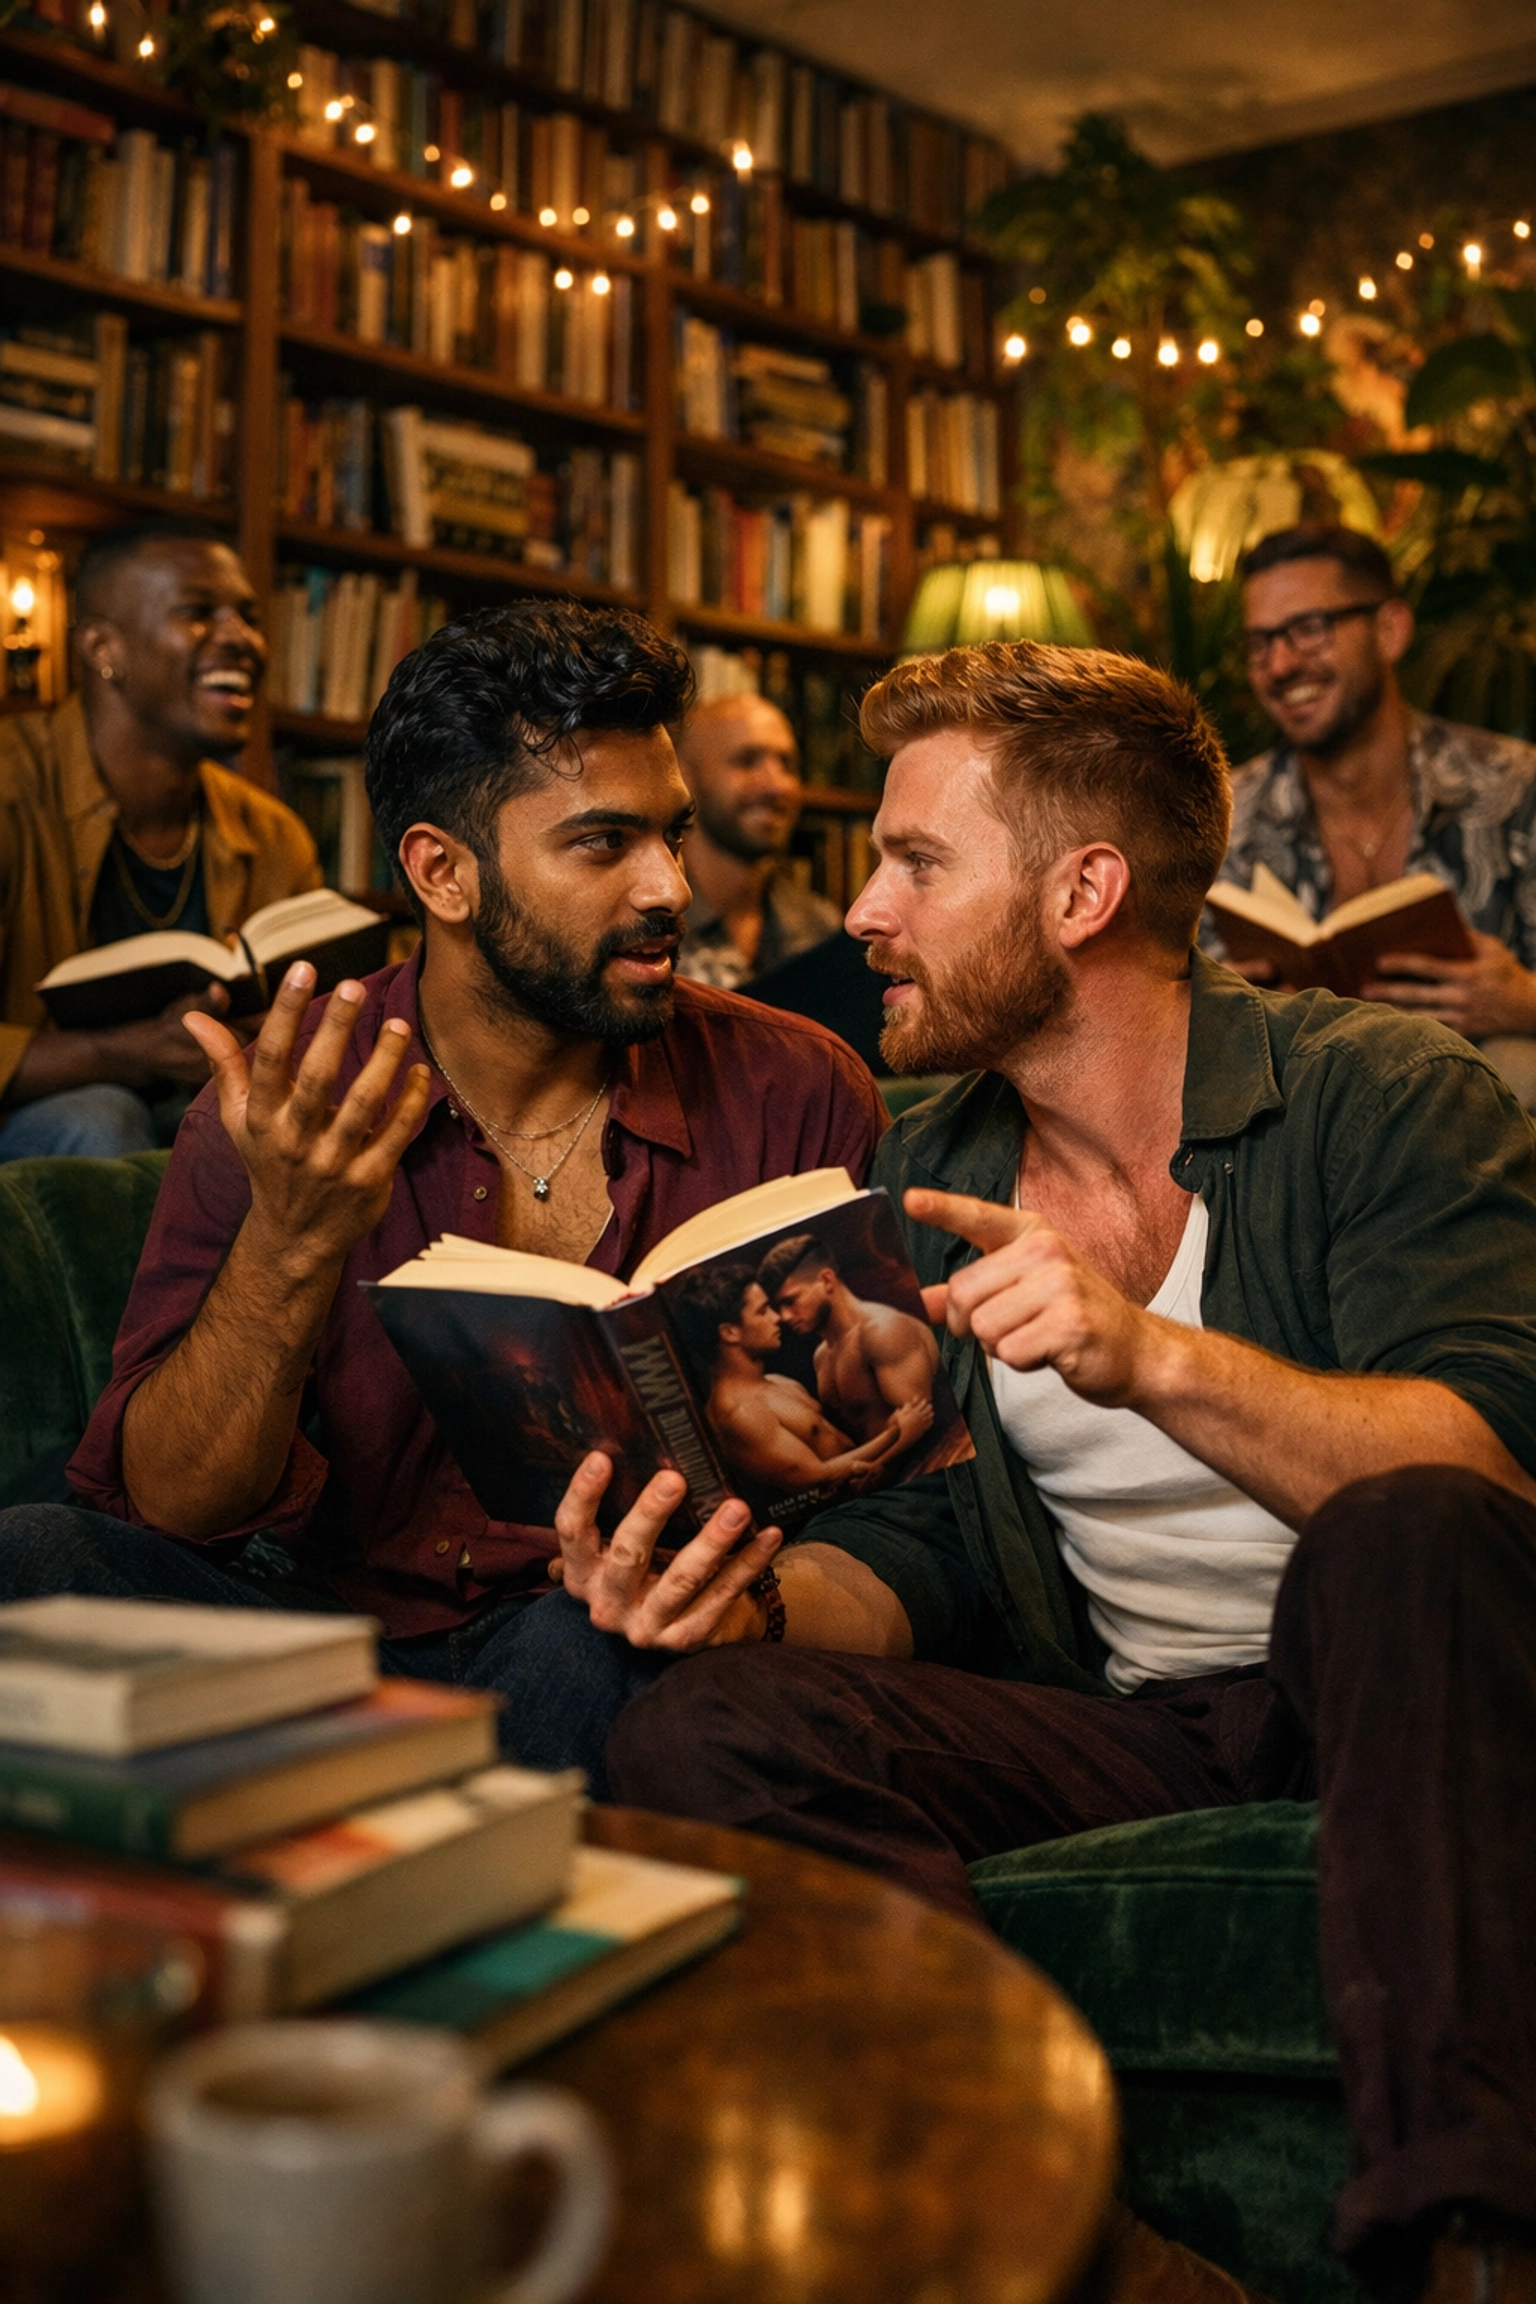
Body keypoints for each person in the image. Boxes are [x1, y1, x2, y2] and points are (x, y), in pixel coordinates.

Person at [535, 640, 1536, 2304]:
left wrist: (1145, 1350)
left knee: (1405, 1528)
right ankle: (1103, 2256)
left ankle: (1475, 2253)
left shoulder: (1377, 1094)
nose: (861, 910)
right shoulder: (920, 1159)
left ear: (1081, 889)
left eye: (914, 859)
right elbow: (921, 1539)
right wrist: (747, 1602)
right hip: (1136, 1721)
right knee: (690, 1720)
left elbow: (1489, 1477)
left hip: (1401, 1685)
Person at [0, 603, 885, 1782]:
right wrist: (293, 1240)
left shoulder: (797, 1086)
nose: (670, 884)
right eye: (603, 843)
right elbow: (167, 1508)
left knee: (595, 1650)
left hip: (624, 1634)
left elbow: (891, 1479)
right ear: (443, 872)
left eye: (669, 835)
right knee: (40, 1553)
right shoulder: (289, 1098)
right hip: (329, 1636)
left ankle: (431, 1891)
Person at [0, 520, 320, 1160]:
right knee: (102, 1119)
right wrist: (128, 1052)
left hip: (198, 1110)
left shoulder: (273, 834)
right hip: (46, 1123)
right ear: (102, 647)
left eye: (249, 617)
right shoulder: (11, 786)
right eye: (200, 613)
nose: (244, 639)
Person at [1208, 521, 1536, 1108]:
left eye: (1308, 630)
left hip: (1483, 1139)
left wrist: (1522, 999)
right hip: (1303, 1143)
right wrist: (1232, 1007)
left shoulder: (1515, 787)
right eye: (1259, 643)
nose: (1280, 666)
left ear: (1390, 630)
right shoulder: (1222, 817)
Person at [669, 1261, 930, 1499]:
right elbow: (812, 1478)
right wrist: (896, 1432)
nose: (777, 1318)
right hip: (852, 1514)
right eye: (762, 1311)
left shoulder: (778, 1382)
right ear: (730, 1332)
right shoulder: (736, 1411)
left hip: (879, 1488)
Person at [674, 692, 839, 989]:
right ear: (685, 777)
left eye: (787, 765)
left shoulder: (820, 928)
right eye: (748, 761)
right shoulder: (653, 928)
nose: (777, 786)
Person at [758, 1229, 939, 1448]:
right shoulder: (822, 1356)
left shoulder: (883, 1330)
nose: (784, 1316)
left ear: (826, 1280)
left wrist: (876, 1469)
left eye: (791, 1301)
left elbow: (920, 1426)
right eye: (778, 1307)